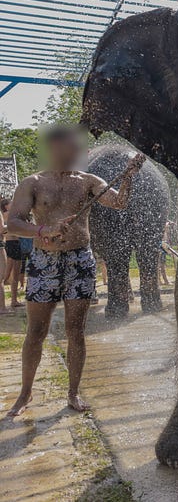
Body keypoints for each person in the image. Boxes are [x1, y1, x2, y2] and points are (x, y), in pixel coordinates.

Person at [6, 124, 144, 416]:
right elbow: (14, 224)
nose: (77, 151)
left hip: (80, 261)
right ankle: (25, 392)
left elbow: (118, 202)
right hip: (44, 263)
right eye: (71, 145)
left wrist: (129, 177)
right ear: (55, 147)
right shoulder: (33, 183)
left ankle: (72, 393)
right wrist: (44, 229)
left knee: (75, 331)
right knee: (36, 330)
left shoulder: (88, 180)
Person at [3, 199, 25, 308]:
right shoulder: (10, 215)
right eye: (11, 203)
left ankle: (13, 300)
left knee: (7, 274)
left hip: (9, 244)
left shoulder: (4, 215)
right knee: (13, 275)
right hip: (13, 244)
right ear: (6, 206)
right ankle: (13, 301)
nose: (13, 204)